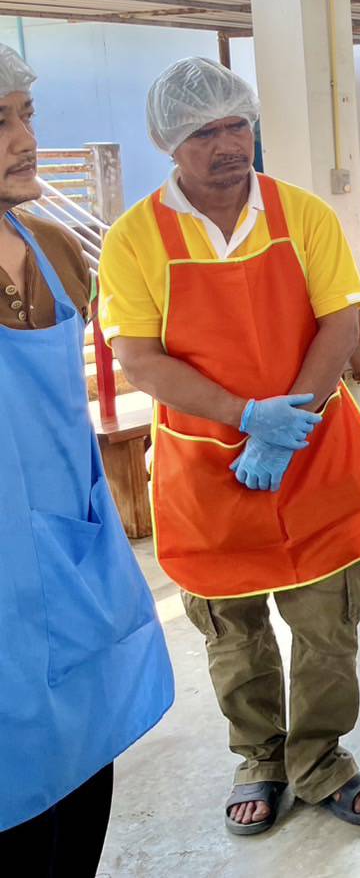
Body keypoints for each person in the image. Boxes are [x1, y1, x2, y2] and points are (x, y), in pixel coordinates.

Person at [99, 59, 360, 835]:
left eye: (238, 124)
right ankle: (260, 756)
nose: (229, 143)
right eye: (205, 131)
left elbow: (338, 320)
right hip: (208, 466)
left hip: (311, 454)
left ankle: (320, 756)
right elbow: (139, 356)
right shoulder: (136, 238)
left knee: (327, 619)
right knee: (232, 632)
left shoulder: (298, 214)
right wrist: (244, 416)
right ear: (171, 141)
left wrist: (289, 420)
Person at [0, 45, 172, 876]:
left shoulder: (52, 246)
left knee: (78, 794)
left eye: (24, 112)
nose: (23, 136)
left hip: (67, 565)